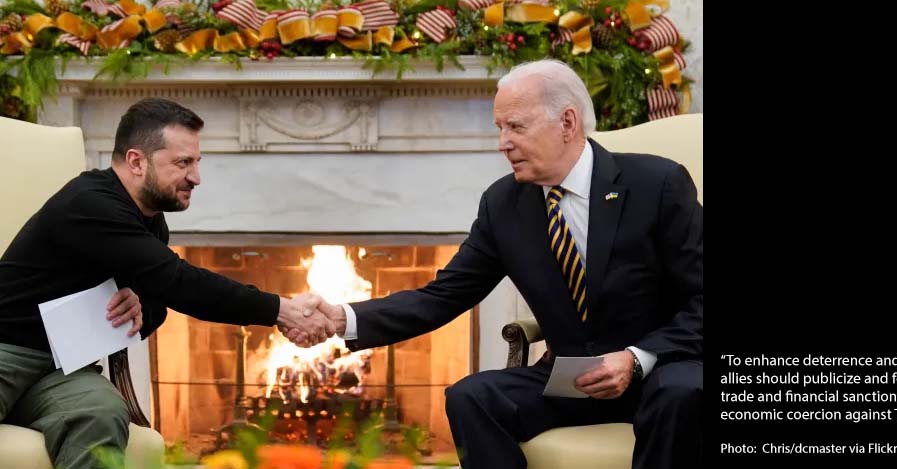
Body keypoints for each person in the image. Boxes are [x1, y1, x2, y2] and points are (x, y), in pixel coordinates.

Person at [304, 59, 703, 468]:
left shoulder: (657, 185)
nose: (503, 143)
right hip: (575, 380)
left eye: (516, 126)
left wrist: (637, 357)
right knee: (469, 397)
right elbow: (443, 296)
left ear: (567, 123)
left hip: (660, 371)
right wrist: (341, 319)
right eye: (499, 129)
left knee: (683, 393)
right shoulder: (504, 204)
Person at [0, 98, 333, 468]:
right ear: (136, 161)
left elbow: (159, 302)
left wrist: (141, 308)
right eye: (182, 163)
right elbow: (177, 282)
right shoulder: (90, 203)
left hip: (60, 368)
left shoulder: (150, 219)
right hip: (5, 351)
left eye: (196, 162)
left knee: (100, 411)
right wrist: (281, 309)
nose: (196, 177)